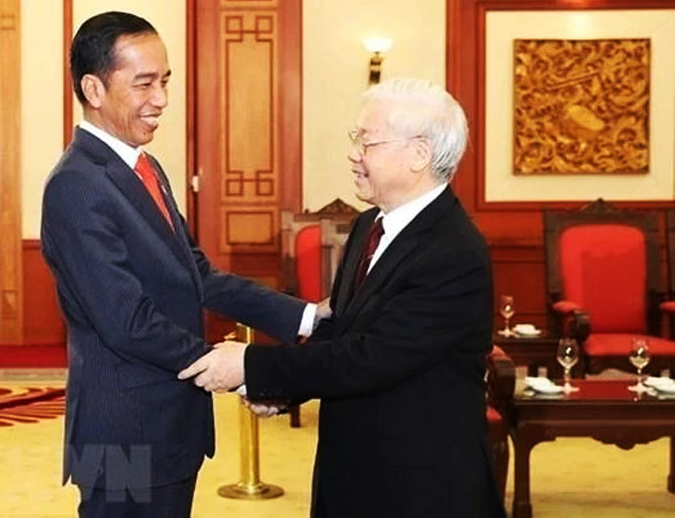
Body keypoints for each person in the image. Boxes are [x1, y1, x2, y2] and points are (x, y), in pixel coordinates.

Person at [180, 78, 507, 518]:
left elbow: (371, 358)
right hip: (355, 471)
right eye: (356, 139)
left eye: (367, 141)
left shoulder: (452, 252)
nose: (353, 154)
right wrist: (285, 392)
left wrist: (251, 365)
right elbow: (343, 330)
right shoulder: (369, 225)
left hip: (420, 484)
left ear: (419, 154)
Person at [41, 11, 322, 518]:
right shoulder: (77, 184)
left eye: (165, 81)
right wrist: (242, 374)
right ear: (94, 89)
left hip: (169, 428)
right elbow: (127, 322)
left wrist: (304, 317)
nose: (162, 99)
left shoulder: (144, 167)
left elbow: (198, 276)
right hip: (123, 435)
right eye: (144, 83)